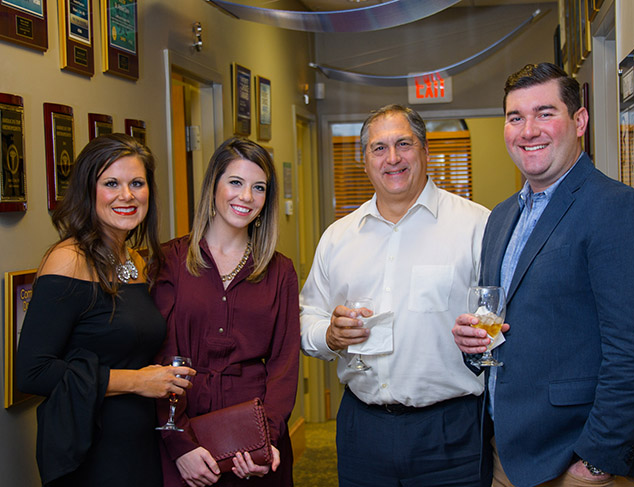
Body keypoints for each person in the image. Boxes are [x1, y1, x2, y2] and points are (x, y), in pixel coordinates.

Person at [452, 63, 634, 487]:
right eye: (516, 117)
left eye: (545, 113)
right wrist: (474, 344)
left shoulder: (615, 208)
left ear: (579, 121)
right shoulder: (501, 217)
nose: (528, 130)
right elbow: (500, 326)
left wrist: (596, 463)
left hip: (576, 465)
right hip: (506, 457)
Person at [300, 104, 492, 486]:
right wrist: (330, 335)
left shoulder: (476, 225)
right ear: (365, 160)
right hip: (362, 429)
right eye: (379, 148)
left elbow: (502, 313)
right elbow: (308, 318)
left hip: (451, 431)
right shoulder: (338, 238)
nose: (392, 158)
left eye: (403, 144)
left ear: (424, 150)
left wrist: (485, 334)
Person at [16, 134, 195, 487]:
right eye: (111, 183)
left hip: (141, 442)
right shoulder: (68, 261)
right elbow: (33, 372)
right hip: (89, 446)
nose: (126, 195)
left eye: (137, 183)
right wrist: (139, 381)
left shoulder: (138, 261)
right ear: (88, 190)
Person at [152, 137, 300, 487]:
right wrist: (179, 445)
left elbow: (284, 364)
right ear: (213, 187)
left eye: (258, 188)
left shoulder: (280, 271)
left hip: (254, 429)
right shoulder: (170, 260)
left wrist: (268, 439)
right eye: (235, 182)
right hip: (183, 430)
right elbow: (160, 358)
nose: (246, 197)